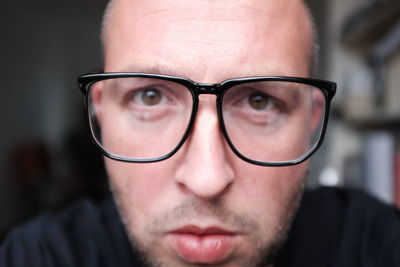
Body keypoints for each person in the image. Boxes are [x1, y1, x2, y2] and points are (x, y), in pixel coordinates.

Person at [1, 0, 399, 266]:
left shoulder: (376, 245)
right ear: (101, 113)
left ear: (312, 120)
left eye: (259, 101)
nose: (206, 179)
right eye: (151, 96)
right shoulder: (39, 256)